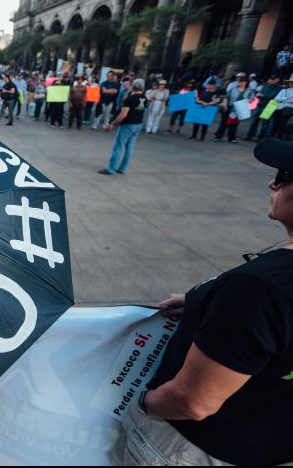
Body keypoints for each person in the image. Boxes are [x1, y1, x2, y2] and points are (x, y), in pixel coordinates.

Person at [112, 137, 293, 466]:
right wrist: (203, 302)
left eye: (284, 175)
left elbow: (192, 402)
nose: (272, 183)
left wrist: (142, 403)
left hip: (191, 447)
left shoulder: (260, 289)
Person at [99, 78, 147, 176]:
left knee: (118, 147)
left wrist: (112, 124)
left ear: (133, 86)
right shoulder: (144, 98)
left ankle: (111, 169)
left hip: (128, 124)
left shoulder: (130, 99)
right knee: (129, 148)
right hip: (138, 124)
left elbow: (123, 114)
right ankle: (122, 168)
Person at [245, 75, 282, 141]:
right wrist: (262, 95)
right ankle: (250, 135)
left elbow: (272, 96)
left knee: (265, 124)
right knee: (255, 122)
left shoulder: (279, 88)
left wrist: (262, 95)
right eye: (270, 79)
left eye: (273, 79)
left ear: (277, 80)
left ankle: (260, 137)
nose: (271, 80)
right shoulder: (266, 86)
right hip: (262, 105)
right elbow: (260, 94)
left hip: (270, 106)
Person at [215, 75, 251, 143]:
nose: (239, 83)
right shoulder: (233, 89)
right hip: (230, 107)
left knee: (234, 124)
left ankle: (232, 138)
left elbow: (252, 99)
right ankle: (218, 136)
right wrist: (225, 105)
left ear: (245, 82)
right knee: (224, 122)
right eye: (239, 81)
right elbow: (226, 97)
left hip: (240, 109)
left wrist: (249, 101)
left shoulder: (249, 91)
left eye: (241, 81)